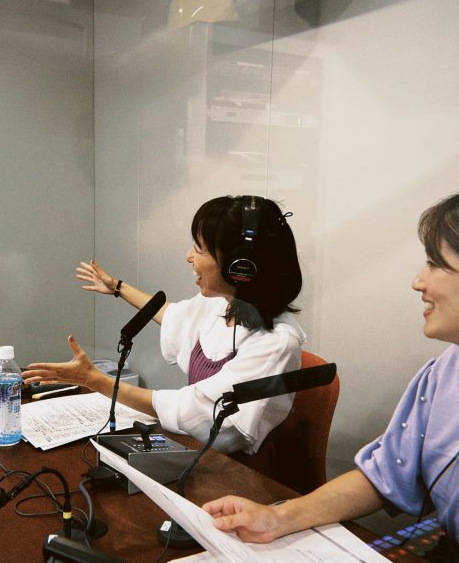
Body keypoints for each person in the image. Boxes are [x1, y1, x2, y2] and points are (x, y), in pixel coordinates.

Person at [202, 178, 459, 563]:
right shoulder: (443, 373)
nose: (418, 282)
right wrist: (277, 518)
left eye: (435, 264)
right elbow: (384, 475)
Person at [23, 195, 306, 454]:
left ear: (240, 266)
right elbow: (172, 315)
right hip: (199, 455)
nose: (188, 256)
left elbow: (201, 413)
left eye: (199, 249)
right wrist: (118, 287)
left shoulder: (277, 344)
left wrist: (95, 380)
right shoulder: (223, 305)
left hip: (235, 475)